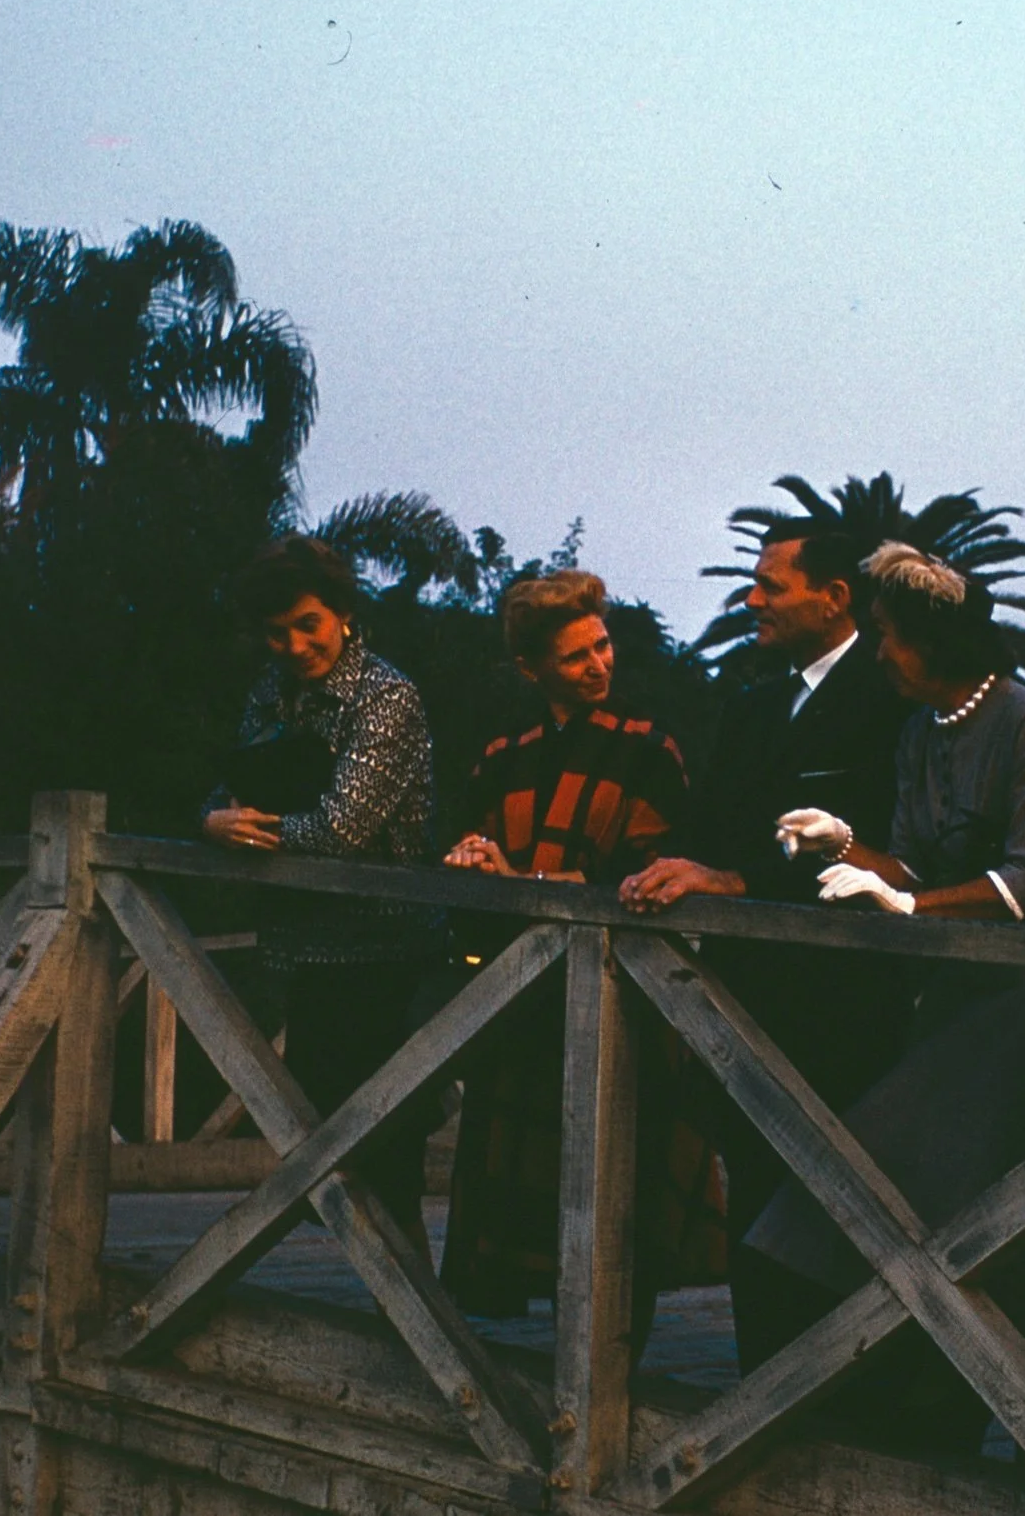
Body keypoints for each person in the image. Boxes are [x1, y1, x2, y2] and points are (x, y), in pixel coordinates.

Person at [740, 541, 1025, 1456]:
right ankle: (922, 1417)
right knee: (916, 1210)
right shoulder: (921, 729)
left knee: (1016, 1225)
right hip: (968, 1007)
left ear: (933, 643)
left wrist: (913, 902)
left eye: (888, 637)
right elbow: (914, 861)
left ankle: (1017, 1442)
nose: (877, 652)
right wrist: (844, 847)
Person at [617, 523, 916, 1365]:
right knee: (757, 1196)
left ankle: (849, 1397)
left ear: (835, 596)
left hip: (851, 1011)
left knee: (846, 1206)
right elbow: (711, 830)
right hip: (746, 1005)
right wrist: (671, 870)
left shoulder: (891, 699)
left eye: (771, 586)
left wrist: (737, 882)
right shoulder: (752, 701)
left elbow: (893, 844)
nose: (752, 599)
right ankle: (765, 1392)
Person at [439, 570, 698, 1319]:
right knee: (518, 1183)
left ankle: (612, 1366)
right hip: (519, 1001)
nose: (599, 664)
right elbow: (472, 843)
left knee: (616, 1189)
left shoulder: (648, 747)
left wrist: (527, 876)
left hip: (620, 1000)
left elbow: (647, 871)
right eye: (577, 654)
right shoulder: (503, 753)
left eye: (604, 644)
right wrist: (475, 863)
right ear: (532, 668)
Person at [204, 536, 442, 1244]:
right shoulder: (269, 692)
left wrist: (251, 827)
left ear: (341, 614)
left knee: (383, 1142)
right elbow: (233, 783)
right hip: (306, 947)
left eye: (308, 623)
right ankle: (389, 1303)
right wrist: (212, 819)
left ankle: (411, 1313)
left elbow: (343, 826)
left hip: (386, 950)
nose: (295, 644)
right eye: (278, 632)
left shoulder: (386, 695)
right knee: (322, 1134)